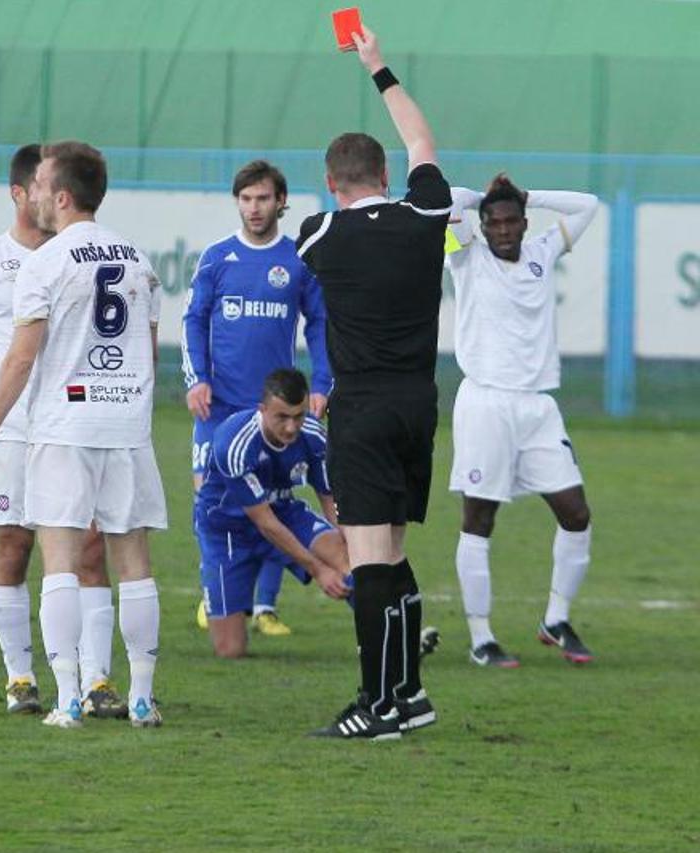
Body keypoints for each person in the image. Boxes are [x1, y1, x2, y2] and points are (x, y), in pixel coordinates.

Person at [0, 141, 167, 729]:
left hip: (64, 426)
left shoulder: (45, 264)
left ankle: (69, 698)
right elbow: (148, 355)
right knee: (134, 564)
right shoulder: (138, 259)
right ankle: (141, 698)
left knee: (60, 562)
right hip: (127, 427)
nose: (37, 198)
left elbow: (21, 359)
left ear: (61, 195)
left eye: (44, 185)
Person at [296, 26, 448, 740]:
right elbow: (423, 140)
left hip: (361, 406)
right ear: (388, 175)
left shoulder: (318, 234)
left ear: (332, 182)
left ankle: (377, 702)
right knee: (391, 549)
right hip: (419, 403)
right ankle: (410, 695)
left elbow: (318, 237)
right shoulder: (425, 213)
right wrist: (378, 66)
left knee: (369, 559)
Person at [446, 174, 599, 667]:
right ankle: (480, 637)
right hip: (485, 404)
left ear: (525, 222)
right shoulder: (465, 256)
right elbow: (444, 201)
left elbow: (587, 204)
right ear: (483, 226)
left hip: (537, 407)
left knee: (576, 514)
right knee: (479, 520)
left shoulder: (541, 252)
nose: (505, 230)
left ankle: (555, 619)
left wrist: (529, 193)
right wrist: (482, 197)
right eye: (495, 222)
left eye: (513, 220)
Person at [183, 158, 333, 637]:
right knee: (210, 496)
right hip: (219, 408)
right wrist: (196, 379)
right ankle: (220, 592)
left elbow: (321, 325)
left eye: (263, 198)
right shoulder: (216, 258)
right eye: (246, 199)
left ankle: (265, 604)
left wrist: (322, 384)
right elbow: (193, 320)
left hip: (275, 413)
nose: (254, 208)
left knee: (274, 497)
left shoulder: (296, 261)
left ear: (280, 202)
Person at [194, 369, 352, 659]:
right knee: (230, 650)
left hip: (283, 511)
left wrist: (349, 539)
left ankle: (383, 639)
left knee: (345, 554)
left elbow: (330, 499)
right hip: (228, 531)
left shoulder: (314, 435)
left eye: (299, 416)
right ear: (262, 410)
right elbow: (264, 523)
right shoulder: (234, 443)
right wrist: (318, 570)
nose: (291, 427)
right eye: (282, 417)